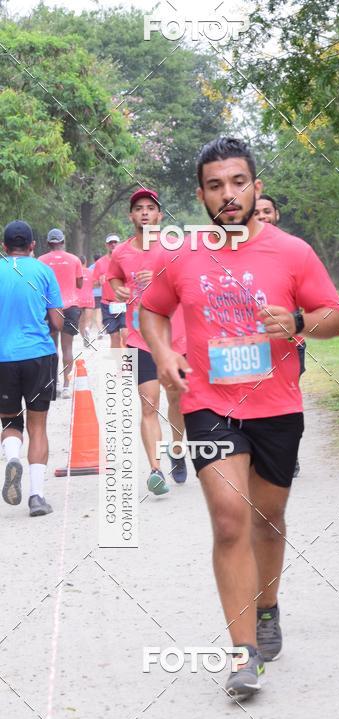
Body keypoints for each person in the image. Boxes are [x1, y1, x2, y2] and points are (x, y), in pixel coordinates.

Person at [140, 137, 339, 699]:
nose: (227, 195)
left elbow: (336, 317)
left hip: (277, 406)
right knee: (231, 518)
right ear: (202, 193)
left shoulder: (292, 252)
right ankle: (243, 654)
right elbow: (152, 311)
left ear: (255, 187)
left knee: (268, 519)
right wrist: (162, 354)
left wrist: (301, 320)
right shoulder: (180, 252)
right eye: (214, 185)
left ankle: (268, 606)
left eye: (237, 182)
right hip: (209, 403)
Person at [107, 188, 188, 495]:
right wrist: (120, 289)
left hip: (174, 339)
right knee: (148, 405)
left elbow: (188, 283)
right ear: (131, 215)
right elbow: (113, 277)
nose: (144, 212)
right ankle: (155, 470)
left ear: (159, 215)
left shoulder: (174, 247)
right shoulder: (121, 252)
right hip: (141, 340)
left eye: (149, 208)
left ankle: (177, 451)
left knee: (177, 402)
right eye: (138, 208)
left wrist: (160, 278)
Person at [0, 221, 63, 516]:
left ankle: (12, 457)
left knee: (10, 423)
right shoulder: (43, 271)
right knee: (38, 427)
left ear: (4, 246)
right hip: (39, 355)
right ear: (33, 246)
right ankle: (37, 497)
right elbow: (58, 322)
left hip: (3, 358)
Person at [254, 192, 304, 477]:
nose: (263, 217)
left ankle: (289, 453)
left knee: (288, 398)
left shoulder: (292, 250)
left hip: (290, 340)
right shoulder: (241, 251)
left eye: (267, 211)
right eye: (257, 212)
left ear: (277, 215)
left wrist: (296, 322)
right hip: (255, 342)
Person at [38, 229, 83, 399]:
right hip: (70, 306)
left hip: (49, 308)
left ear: (49, 243)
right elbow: (79, 284)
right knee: (68, 347)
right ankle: (66, 386)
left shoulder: (41, 261)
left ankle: (53, 384)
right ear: (63, 242)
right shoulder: (74, 259)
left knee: (51, 347)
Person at [94, 235, 126, 348]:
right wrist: (99, 281)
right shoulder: (100, 262)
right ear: (106, 245)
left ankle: (130, 364)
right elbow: (93, 284)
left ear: (119, 244)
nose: (113, 245)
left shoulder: (125, 260)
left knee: (126, 334)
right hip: (108, 304)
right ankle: (119, 365)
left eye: (115, 242)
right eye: (110, 243)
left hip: (124, 303)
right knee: (115, 336)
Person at [77, 254, 96, 346]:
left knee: (81, 321)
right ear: (85, 262)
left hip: (78, 299)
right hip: (89, 298)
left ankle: (84, 338)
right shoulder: (91, 272)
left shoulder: (74, 273)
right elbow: (96, 284)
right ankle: (87, 329)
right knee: (89, 320)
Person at [88, 253, 103, 339]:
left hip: (92, 294)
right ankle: (100, 330)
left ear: (94, 259)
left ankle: (87, 331)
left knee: (91, 315)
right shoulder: (103, 267)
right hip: (102, 294)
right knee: (98, 314)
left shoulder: (90, 269)